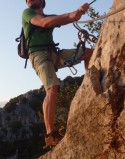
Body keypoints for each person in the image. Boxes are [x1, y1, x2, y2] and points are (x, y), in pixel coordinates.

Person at [22, 0, 93, 148]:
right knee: (52, 88)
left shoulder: (51, 17)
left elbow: (70, 18)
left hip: (54, 53)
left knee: (88, 53)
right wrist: (71, 14)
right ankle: (50, 134)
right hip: (38, 55)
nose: (29, 1)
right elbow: (45, 23)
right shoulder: (27, 13)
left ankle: (91, 82)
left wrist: (79, 11)